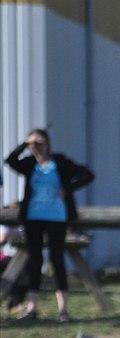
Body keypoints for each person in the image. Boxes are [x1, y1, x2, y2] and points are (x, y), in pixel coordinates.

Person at [3, 129, 94, 322]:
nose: (37, 146)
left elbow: (87, 174)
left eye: (40, 142)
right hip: (33, 217)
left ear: (48, 143)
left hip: (57, 217)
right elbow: (10, 160)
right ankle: (32, 308)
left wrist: (67, 189)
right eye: (33, 144)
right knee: (35, 261)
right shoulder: (29, 164)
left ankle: (63, 310)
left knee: (57, 259)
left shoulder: (59, 162)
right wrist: (24, 144)